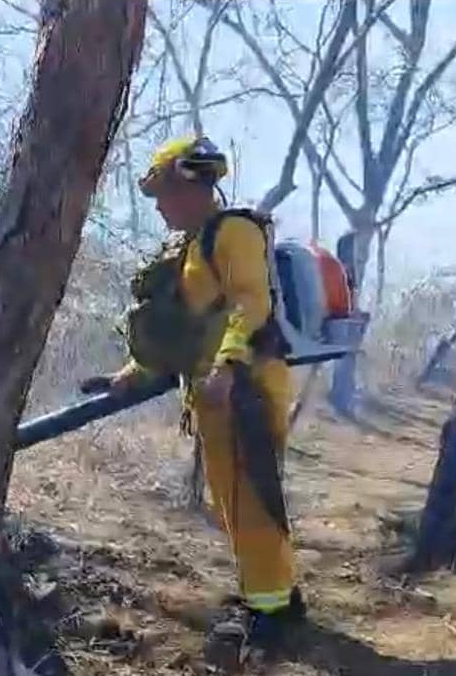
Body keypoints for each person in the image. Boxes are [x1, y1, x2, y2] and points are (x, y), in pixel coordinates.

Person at [84, 135, 305, 649]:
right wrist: (128, 376)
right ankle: (271, 592)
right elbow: (185, 333)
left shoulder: (233, 233)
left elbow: (250, 306)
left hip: (244, 389)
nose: (159, 206)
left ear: (192, 186)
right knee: (236, 501)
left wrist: (228, 368)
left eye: (163, 193)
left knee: (252, 501)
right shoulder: (191, 246)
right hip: (217, 394)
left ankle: (269, 612)